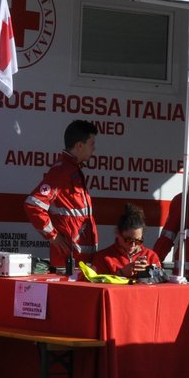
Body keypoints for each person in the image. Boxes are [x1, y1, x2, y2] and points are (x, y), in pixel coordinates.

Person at [24, 119, 100, 271]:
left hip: (80, 263)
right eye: (91, 144)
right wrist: (54, 236)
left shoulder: (73, 171)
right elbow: (33, 204)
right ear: (79, 145)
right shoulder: (62, 172)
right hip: (68, 264)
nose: (94, 148)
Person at [92, 204, 163, 279]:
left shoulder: (151, 256)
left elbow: (161, 284)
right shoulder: (103, 258)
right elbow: (96, 284)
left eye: (138, 240)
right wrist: (121, 273)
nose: (133, 245)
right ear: (118, 233)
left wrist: (149, 272)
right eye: (128, 240)